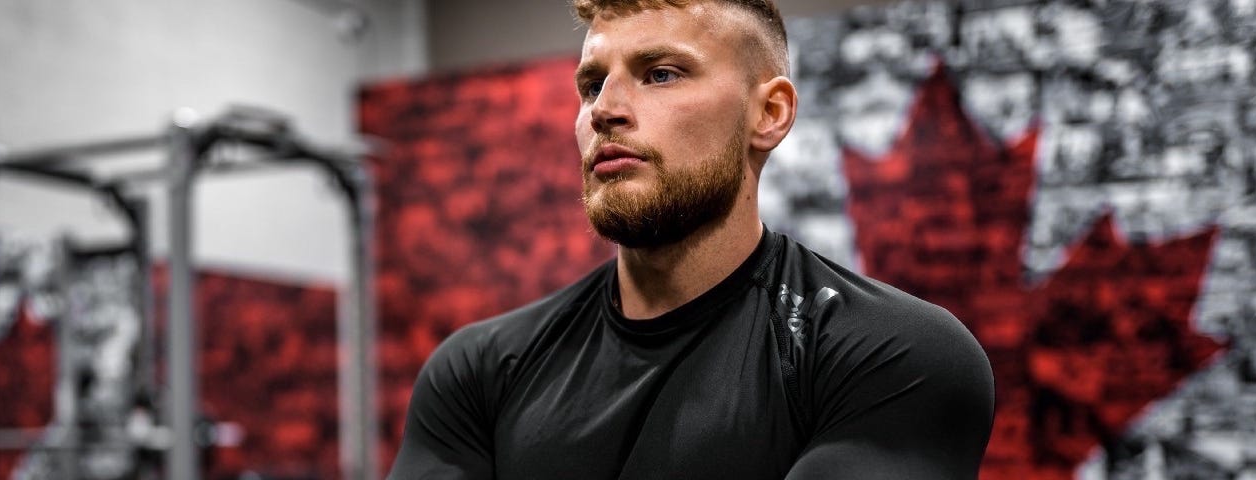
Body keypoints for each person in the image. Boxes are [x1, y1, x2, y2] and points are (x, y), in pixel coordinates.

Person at [388, 0, 995, 478]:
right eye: (592, 85)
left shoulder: (889, 354)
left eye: (660, 74)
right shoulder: (479, 371)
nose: (605, 110)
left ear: (770, 114)